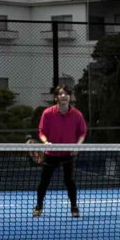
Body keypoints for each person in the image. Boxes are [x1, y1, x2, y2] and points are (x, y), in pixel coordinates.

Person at [33, 84, 88, 218]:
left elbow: (82, 132)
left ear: (70, 97)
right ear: (56, 97)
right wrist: (46, 142)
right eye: (60, 94)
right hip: (51, 154)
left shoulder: (77, 115)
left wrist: (77, 146)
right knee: (44, 182)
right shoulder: (47, 113)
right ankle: (39, 206)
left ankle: (74, 207)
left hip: (68, 154)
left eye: (66, 93)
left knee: (69, 181)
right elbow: (41, 132)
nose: (63, 96)